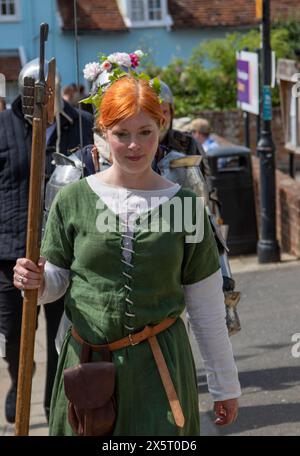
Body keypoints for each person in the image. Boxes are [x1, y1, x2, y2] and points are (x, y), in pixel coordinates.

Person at [13, 57, 240, 435]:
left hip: (161, 370)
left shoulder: (185, 206)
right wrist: (35, 280)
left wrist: (225, 385)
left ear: (161, 127)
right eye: (121, 133)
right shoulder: (73, 198)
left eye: (145, 132)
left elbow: (206, 307)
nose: (134, 145)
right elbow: (56, 281)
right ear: (102, 130)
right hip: (88, 369)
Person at [0, 58, 93, 424]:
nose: (40, 98)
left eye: (47, 91)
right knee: (13, 336)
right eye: (33, 92)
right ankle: (17, 378)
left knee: (61, 335)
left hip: (64, 251)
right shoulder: (3, 127)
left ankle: (53, 404)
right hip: (11, 251)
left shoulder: (81, 127)